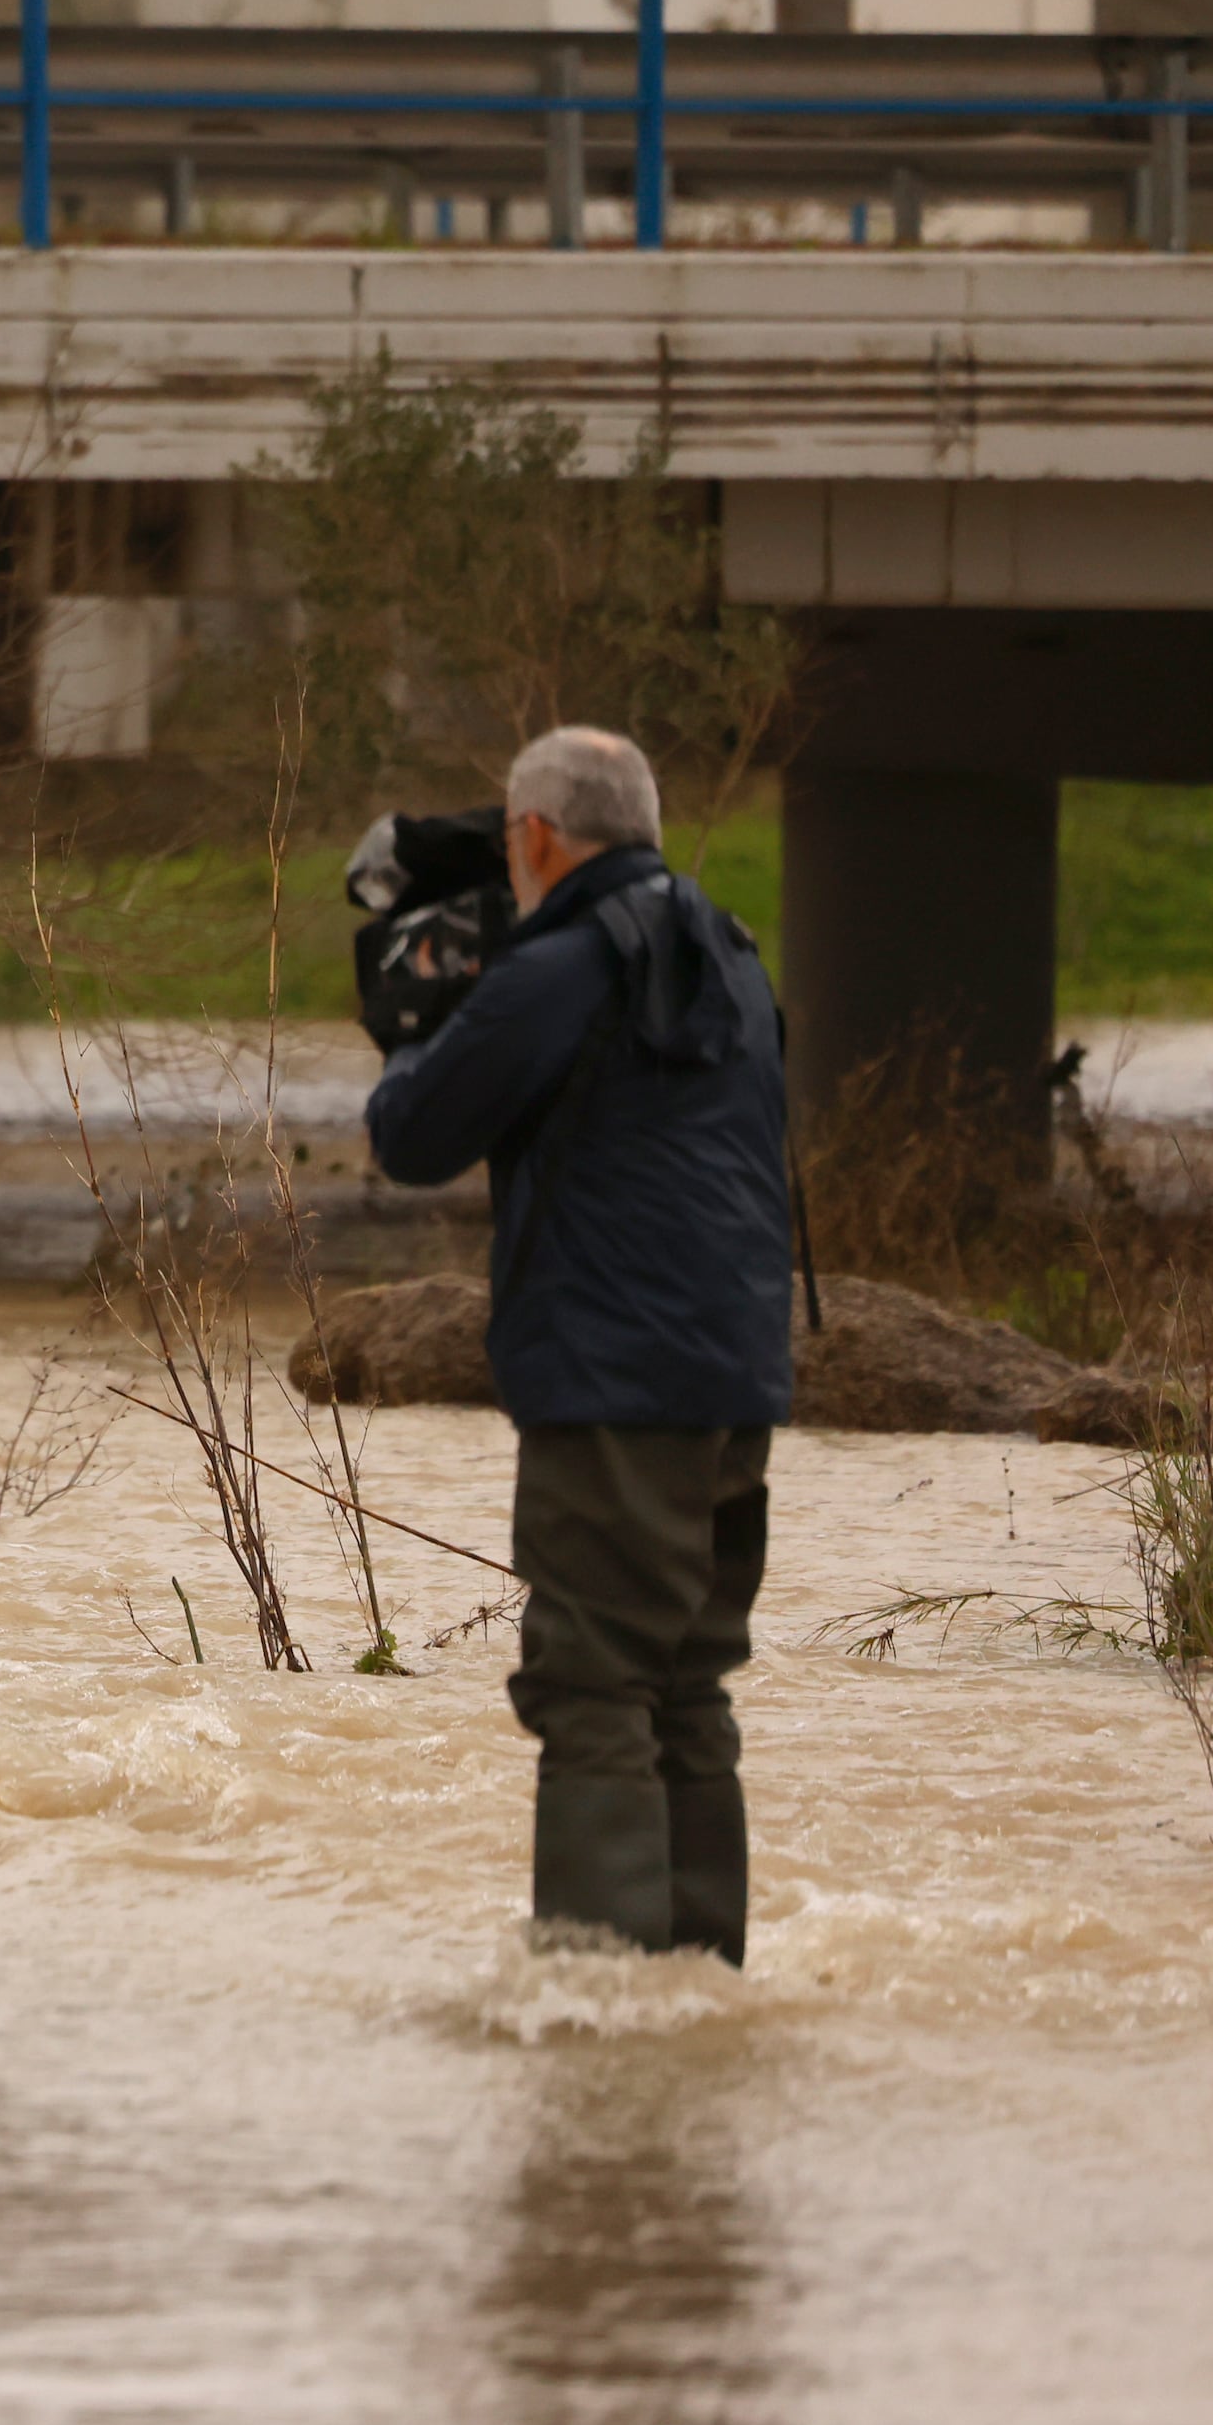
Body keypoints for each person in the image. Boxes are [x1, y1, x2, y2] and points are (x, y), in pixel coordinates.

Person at [363, 725, 798, 1964]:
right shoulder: (728, 950)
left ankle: (598, 2014)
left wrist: (415, 1007)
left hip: (611, 1379)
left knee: (591, 1682)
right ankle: (697, 1986)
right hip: (734, 1376)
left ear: (537, 836)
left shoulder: (558, 964)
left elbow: (410, 1135)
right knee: (685, 1685)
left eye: (510, 845)